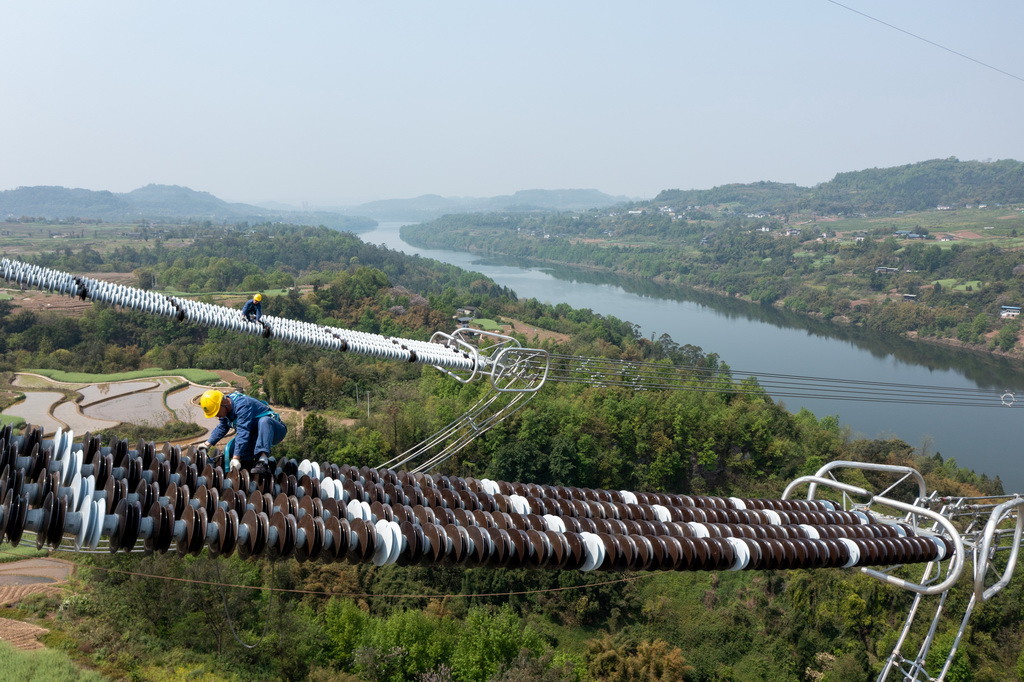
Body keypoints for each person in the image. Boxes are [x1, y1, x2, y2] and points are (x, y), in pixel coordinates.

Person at [198, 389, 286, 475]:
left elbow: (243, 431)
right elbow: (222, 427)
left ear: (224, 403)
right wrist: (207, 444)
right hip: (255, 434)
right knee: (231, 451)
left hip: (274, 431)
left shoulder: (243, 405)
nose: (216, 415)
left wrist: (236, 457)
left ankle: (263, 460)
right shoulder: (225, 409)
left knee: (264, 421)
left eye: (217, 412)